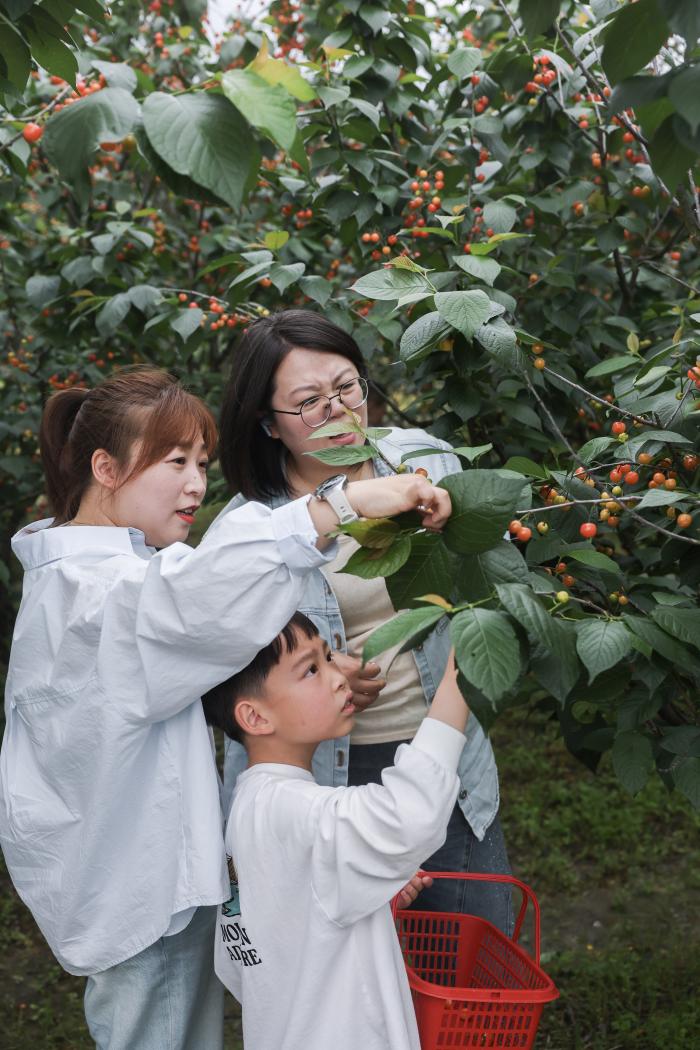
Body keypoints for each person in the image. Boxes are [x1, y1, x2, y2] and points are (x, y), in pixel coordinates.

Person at [0, 367, 452, 1050]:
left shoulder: (92, 580)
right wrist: (342, 501)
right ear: (106, 468)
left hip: (142, 894)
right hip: (144, 906)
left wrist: (316, 673)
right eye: (175, 461)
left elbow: (198, 631)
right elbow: (201, 596)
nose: (195, 485)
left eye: (202, 464)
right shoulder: (96, 595)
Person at [217, 309, 512, 930]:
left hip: (445, 752)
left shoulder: (424, 461)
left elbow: (491, 574)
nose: (338, 411)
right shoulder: (251, 531)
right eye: (309, 402)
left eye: (346, 387)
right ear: (269, 423)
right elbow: (226, 676)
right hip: (326, 776)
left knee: (471, 948)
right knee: (355, 968)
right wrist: (317, 674)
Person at [203, 611, 469, 1050]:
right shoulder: (295, 811)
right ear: (255, 716)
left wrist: (364, 892)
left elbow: (243, 956)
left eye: (328, 657)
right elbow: (408, 816)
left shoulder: (251, 808)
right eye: (310, 670)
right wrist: (459, 680)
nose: (336, 677)